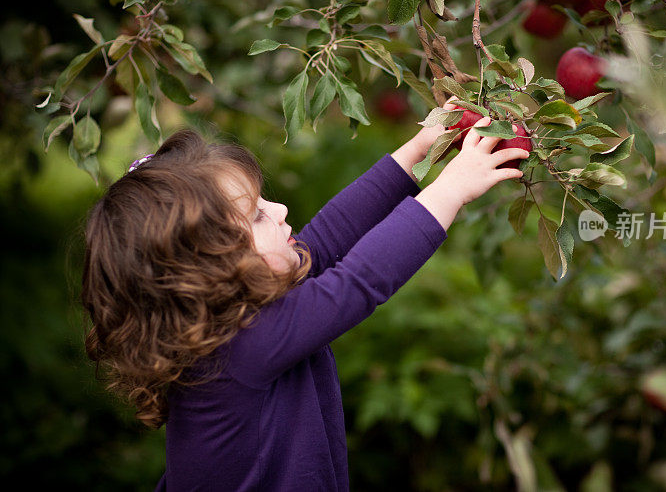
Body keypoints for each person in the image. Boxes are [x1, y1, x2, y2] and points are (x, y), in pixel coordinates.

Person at [81, 111, 529, 491]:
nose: (280, 211)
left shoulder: (236, 315)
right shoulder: (238, 348)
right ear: (205, 267)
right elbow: (358, 282)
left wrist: (417, 151)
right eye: (256, 214)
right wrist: (452, 187)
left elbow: (327, 238)